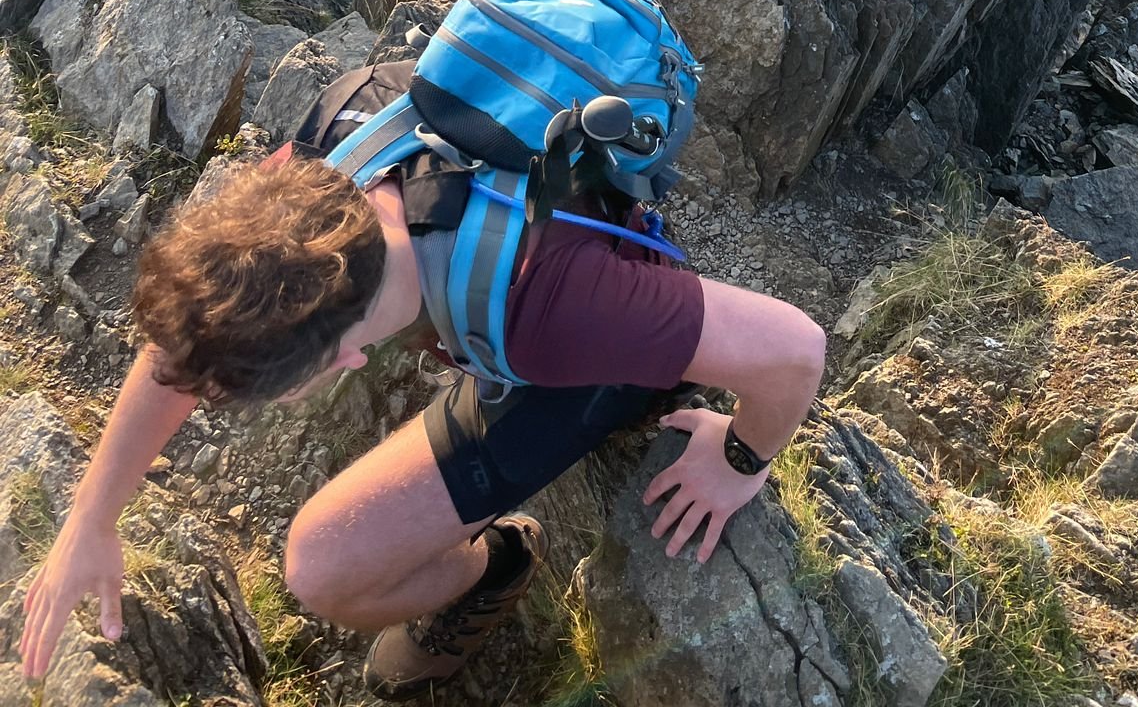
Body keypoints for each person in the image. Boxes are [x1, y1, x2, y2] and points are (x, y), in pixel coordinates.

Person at [19, 129, 826, 698]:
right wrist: (91, 518)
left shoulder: (561, 315)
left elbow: (794, 349)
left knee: (325, 571)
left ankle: (496, 565)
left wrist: (739, 459)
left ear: (341, 363)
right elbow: (200, 332)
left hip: (567, 358)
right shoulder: (329, 157)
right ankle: (489, 545)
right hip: (499, 296)